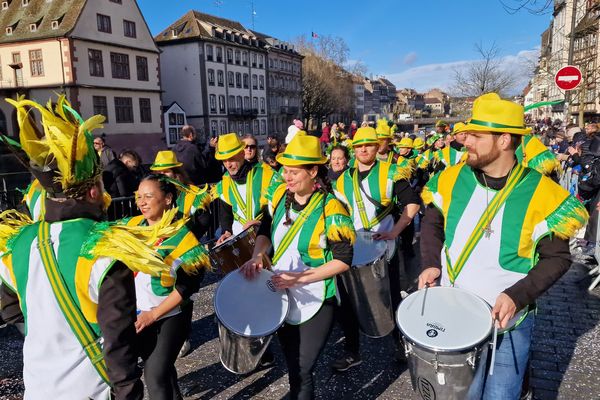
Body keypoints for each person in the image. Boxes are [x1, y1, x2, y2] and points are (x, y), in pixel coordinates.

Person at [0, 95, 183, 399]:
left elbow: (8, 310)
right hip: (91, 389)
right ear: (95, 190)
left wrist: (47, 334)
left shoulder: (17, 243)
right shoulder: (106, 246)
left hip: (38, 387)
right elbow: (118, 341)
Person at [418, 93, 588, 399]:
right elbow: (431, 223)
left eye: (476, 136)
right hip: (455, 314)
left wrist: (517, 295)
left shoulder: (543, 193)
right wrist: (430, 262)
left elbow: (557, 258)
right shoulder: (451, 178)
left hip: (510, 322)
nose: (466, 141)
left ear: (505, 140)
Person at [241, 134, 355, 400]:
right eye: (285, 171)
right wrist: (258, 255)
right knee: (293, 367)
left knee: (303, 368)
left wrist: (300, 278)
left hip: (317, 298)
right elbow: (266, 231)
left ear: (313, 170)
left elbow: (343, 260)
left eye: (294, 172)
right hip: (282, 294)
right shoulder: (280, 197)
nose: (287, 177)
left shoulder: (332, 207)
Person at [332, 126, 420, 371]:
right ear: (354, 149)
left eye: (368, 145)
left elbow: (412, 203)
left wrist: (395, 231)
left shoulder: (391, 172)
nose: (363, 149)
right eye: (359, 146)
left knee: (390, 296)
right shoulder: (342, 180)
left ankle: (400, 345)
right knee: (347, 300)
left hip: (383, 245)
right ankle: (352, 351)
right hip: (353, 247)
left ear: (377, 146)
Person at [124, 175, 209, 399]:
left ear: (168, 199)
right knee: (164, 371)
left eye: (149, 196)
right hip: (140, 314)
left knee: (155, 374)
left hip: (171, 315)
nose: (142, 202)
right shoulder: (131, 227)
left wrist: (153, 315)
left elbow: (186, 287)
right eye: (139, 196)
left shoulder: (184, 239)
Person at [213, 133, 279, 244]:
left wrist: (260, 223)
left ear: (242, 154)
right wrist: (226, 232)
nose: (228, 165)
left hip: (265, 239)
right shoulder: (224, 182)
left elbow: (277, 211)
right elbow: (226, 214)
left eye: (232, 159)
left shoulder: (267, 176)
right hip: (239, 242)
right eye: (224, 161)